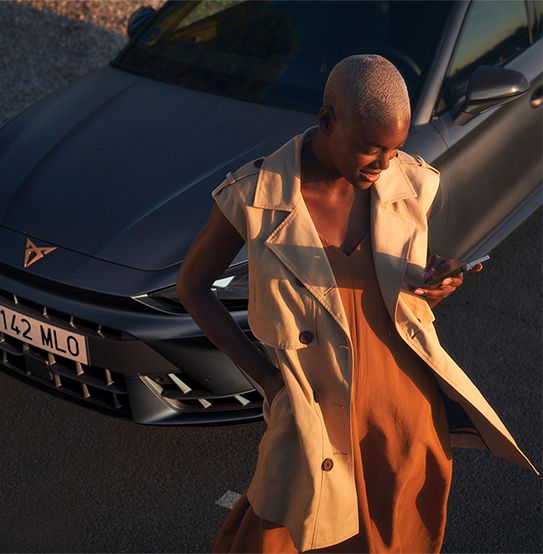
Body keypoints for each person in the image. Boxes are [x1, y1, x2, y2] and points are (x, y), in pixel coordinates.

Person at [176, 54, 538, 553]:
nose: (385, 164)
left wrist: (437, 280)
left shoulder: (412, 183)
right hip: (313, 414)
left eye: (396, 149)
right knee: (272, 536)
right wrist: (268, 382)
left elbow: (407, 268)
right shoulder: (256, 196)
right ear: (328, 121)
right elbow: (191, 287)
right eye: (372, 148)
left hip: (404, 411)